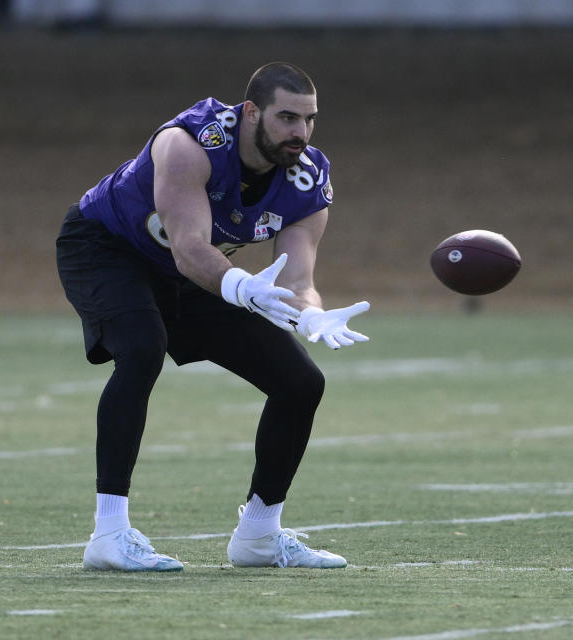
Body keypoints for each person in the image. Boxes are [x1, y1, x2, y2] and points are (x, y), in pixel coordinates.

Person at [56, 62, 370, 572]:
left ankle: (259, 536)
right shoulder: (190, 143)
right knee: (141, 347)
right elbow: (188, 247)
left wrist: (310, 314)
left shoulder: (307, 176)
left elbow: (295, 277)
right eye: (287, 117)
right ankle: (109, 533)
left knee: (300, 382)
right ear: (251, 113)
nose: (300, 133)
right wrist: (241, 287)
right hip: (108, 248)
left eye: (309, 119)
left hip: (199, 274)